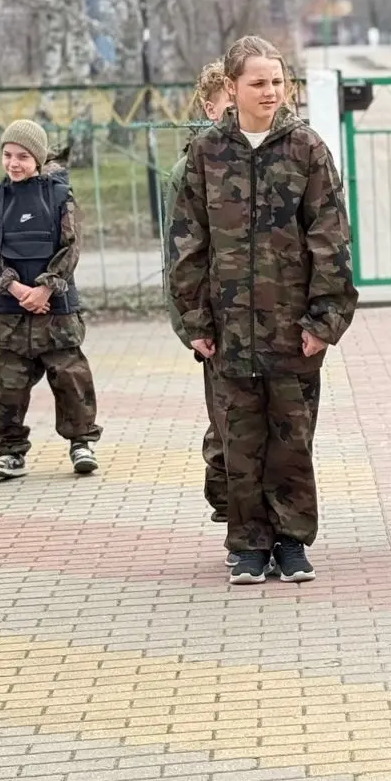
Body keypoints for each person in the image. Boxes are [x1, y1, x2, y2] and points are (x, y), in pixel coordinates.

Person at [168, 35, 358, 585]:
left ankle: (292, 541)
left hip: (292, 328)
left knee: (292, 438)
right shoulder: (206, 153)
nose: (270, 91)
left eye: (277, 81)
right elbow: (186, 243)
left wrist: (324, 321)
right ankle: (248, 543)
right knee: (239, 440)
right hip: (227, 329)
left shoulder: (306, 149)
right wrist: (195, 322)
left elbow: (330, 237)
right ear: (231, 88)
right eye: (258, 83)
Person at [0, 120, 102, 480]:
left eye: (23, 156)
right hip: (13, 311)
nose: (14, 163)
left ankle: (82, 444)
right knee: (8, 386)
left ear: (39, 158)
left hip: (57, 310)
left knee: (71, 379)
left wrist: (46, 288)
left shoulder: (61, 196)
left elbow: (71, 246)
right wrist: (16, 289)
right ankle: (9, 453)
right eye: (8, 155)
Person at [165, 63, 231, 521]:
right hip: (216, 320)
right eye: (228, 106)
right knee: (226, 423)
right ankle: (229, 505)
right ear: (209, 108)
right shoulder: (188, 170)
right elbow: (179, 254)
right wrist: (189, 326)